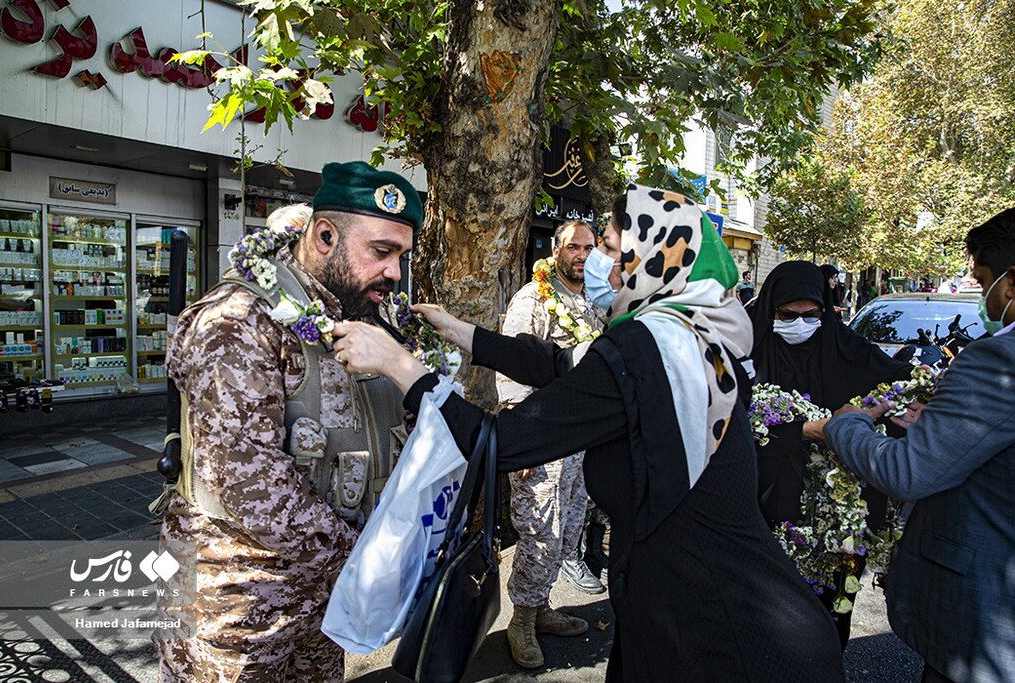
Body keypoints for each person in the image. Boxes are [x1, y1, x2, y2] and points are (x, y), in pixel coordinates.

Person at [332, 184, 845, 681]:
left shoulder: (648, 347)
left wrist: (400, 366)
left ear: (659, 257)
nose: (608, 268)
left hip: (716, 626)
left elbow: (498, 441)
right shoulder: (690, 329)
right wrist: (460, 332)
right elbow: (561, 363)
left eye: (618, 254)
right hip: (723, 600)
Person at [156, 161, 422, 682]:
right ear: (324, 235)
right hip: (236, 607)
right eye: (381, 251)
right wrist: (366, 560)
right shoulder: (236, 322)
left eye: (401, 256)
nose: (394, 271)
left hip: (323, 598)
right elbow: (246, 480)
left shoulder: (365, 316)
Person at [825, 209, 1015, 683]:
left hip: (984, 626)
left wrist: (846, 426)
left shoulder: (997, 359)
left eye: (982, 280)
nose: (981, 296)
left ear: (1010, 284)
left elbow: (908, 472)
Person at [748, 260, 915, 649]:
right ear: (769, 308)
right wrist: (803, 431)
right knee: (766, 622)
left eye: (812, 315)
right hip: (764, 508)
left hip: (841, 521)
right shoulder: (745, 353)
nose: (800, 323)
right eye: (787, 315)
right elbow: (726, 427)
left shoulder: (848, 350)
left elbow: (900, 385)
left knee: (832, 616)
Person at [497, 219, 605, 668]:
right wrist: (520, 438)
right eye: (574, 247)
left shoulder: (593, 299)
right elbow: (512, 366)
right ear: (556, 250)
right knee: (540, 531)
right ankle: (520, 621)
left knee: (568, 527)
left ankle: (540, 608)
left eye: (589, 248)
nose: (582, 255)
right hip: (541, 438)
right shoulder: (534, 297)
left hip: (580, 440)